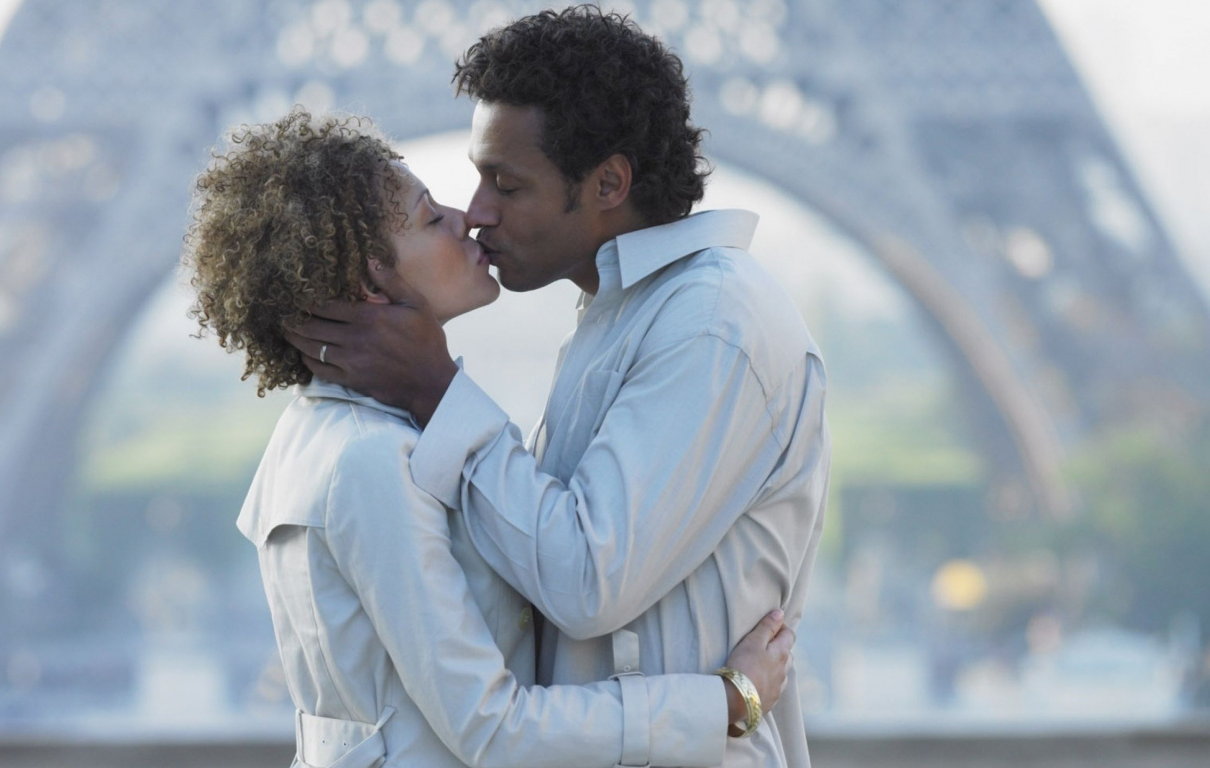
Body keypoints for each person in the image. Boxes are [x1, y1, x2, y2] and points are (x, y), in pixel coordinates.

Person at [285, 7, 831, 767]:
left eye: (506, 185)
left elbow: (586, 583)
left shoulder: (712, 321)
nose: (477, 214)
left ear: (608, 182)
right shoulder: (622, 316)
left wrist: (438, 391)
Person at [184, 107, 795, 768]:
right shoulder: (370, 459)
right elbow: (494, 728)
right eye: (430, 219)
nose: (465, 218)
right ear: (370, 282)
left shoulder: (331, 432)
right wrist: (724, 703)